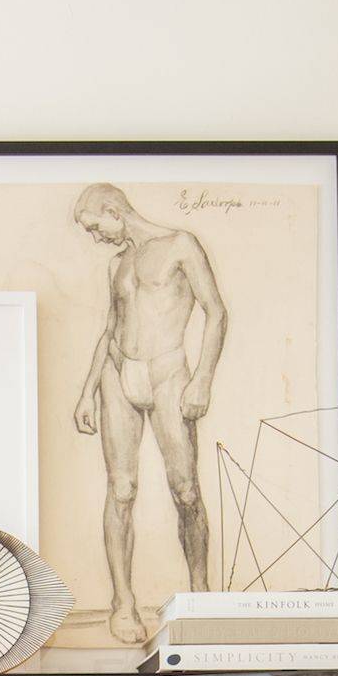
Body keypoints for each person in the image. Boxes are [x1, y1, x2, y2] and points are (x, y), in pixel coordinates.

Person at [72, 183, 228, 638]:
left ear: (112, 210)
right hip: (118, 372)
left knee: (185, 490)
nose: (95, 236)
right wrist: (86, 393)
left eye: (94, 225)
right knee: (121, 489)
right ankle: (123, 603)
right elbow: (109, 328)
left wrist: (202, 378)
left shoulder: (181, 245)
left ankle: (199, 595)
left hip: (168, 373)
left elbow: (216, 312)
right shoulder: (117, 264)